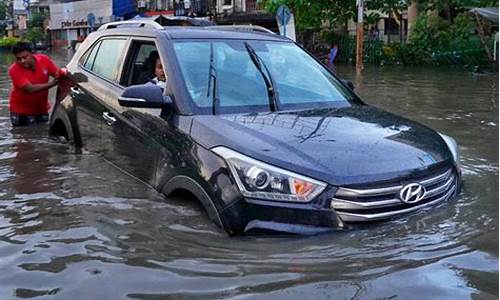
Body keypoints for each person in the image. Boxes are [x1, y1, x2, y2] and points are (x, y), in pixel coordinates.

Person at [8, 42, 66, 126]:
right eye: (19, 59)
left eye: (25, 57)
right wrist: (53, 83)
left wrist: (64, 74)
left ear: (32, 53)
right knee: (23, 136)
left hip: (42, 109)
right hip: (21, 112)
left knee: (42, 133)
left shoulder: (44, 60)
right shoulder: (14, 69)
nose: (22, 61)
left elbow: (56, 73)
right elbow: (29, 89)